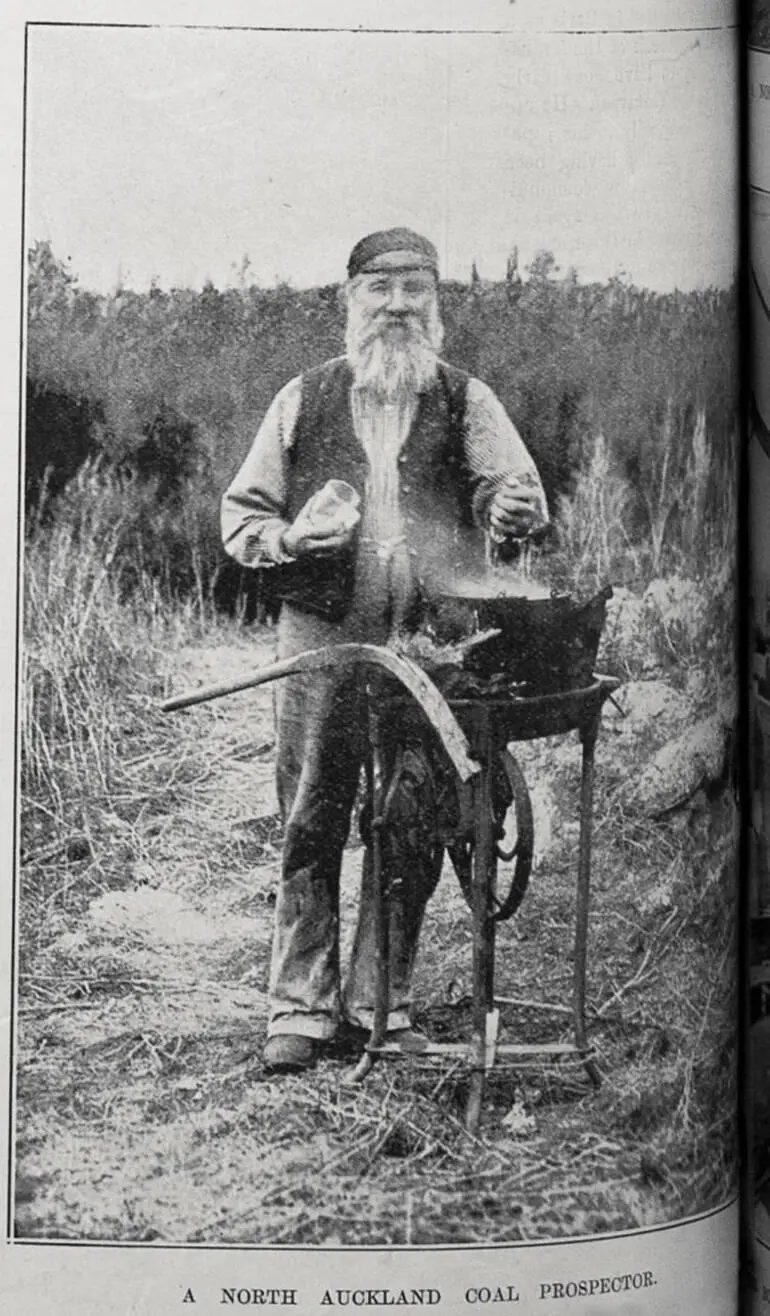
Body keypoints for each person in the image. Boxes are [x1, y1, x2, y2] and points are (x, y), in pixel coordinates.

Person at [221, 227, 548, 1072]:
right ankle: (300, 1006)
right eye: (381, 289)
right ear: (350, 301)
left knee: (410, 817)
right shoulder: (304, 398)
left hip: (433, 645)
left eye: (416, 291)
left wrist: (511, 514)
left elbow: (518, 495)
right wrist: (291, 536)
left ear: (437, 307)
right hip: (323, 635)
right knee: (311, 811)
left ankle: (382, 1006)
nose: (398, 306)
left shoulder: (467, 400)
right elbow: (241, 518)